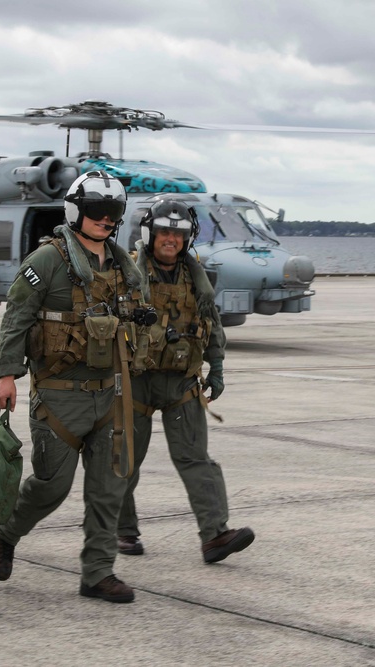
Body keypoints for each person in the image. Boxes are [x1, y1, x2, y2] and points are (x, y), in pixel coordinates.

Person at [0, 170, 147, 603]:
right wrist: (6, 375)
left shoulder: (123, 266)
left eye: (113, 212)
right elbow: (16, 317)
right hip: (59, 393)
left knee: (109, 487)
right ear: (77, 210)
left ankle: (97, 572)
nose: (105, 220)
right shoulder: (47, 261)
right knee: (51, 485)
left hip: (111, 392)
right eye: (96, 211)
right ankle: (5, 532)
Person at [116, 199, 255, 563]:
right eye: (164, 232)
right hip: (135, 381)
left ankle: (215, 535)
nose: (171, 240)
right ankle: (123, 530)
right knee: (125, 460)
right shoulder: (126, 273)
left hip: (182, 381)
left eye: (178, 234)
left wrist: (218, 366)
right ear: (150, 234)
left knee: (195, 459)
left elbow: (211, 324)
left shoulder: (198, 279)